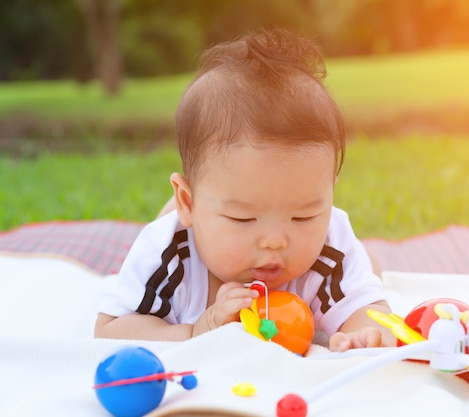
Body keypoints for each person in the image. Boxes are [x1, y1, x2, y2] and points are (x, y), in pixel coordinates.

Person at [94, 27, 394, 352]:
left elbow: (374, 317)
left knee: (366, 266)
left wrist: (364, 335)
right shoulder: (168, 253)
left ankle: (365, 258)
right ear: (187, 201)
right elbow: (110, 329)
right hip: (188, 234)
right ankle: (180, 209)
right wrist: (197, 331)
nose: (275, 241)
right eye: (242, 218)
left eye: (303, 216)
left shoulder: (329, 246)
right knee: (171, 225)